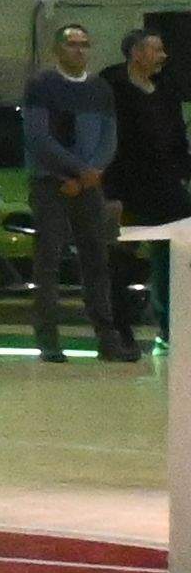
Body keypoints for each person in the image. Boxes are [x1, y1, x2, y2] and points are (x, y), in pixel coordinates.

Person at [21, 21, 136, 363]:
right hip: (50, 183)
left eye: (84, 44)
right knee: (49, 262)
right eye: (72, 44)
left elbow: (109, 137)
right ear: (58, 49)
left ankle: (107, 337)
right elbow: (38, 138)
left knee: (97, 261)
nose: (79, 50)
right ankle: (48, 339)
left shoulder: (100, 88)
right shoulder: (41, 85)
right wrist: (75, 171)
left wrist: (92, 172)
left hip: (88, 185)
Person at [114, 22, 191, 353]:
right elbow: (111, 144)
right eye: (156, 49)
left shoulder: (165, 93)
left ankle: (171, 327)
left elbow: (177, 141)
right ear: (136, 53)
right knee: (119, 260)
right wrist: (112, 191)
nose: (164, 56)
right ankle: (118, 330)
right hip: (127, 188)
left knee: (173, 257)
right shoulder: (113, 88)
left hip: (166, 188)